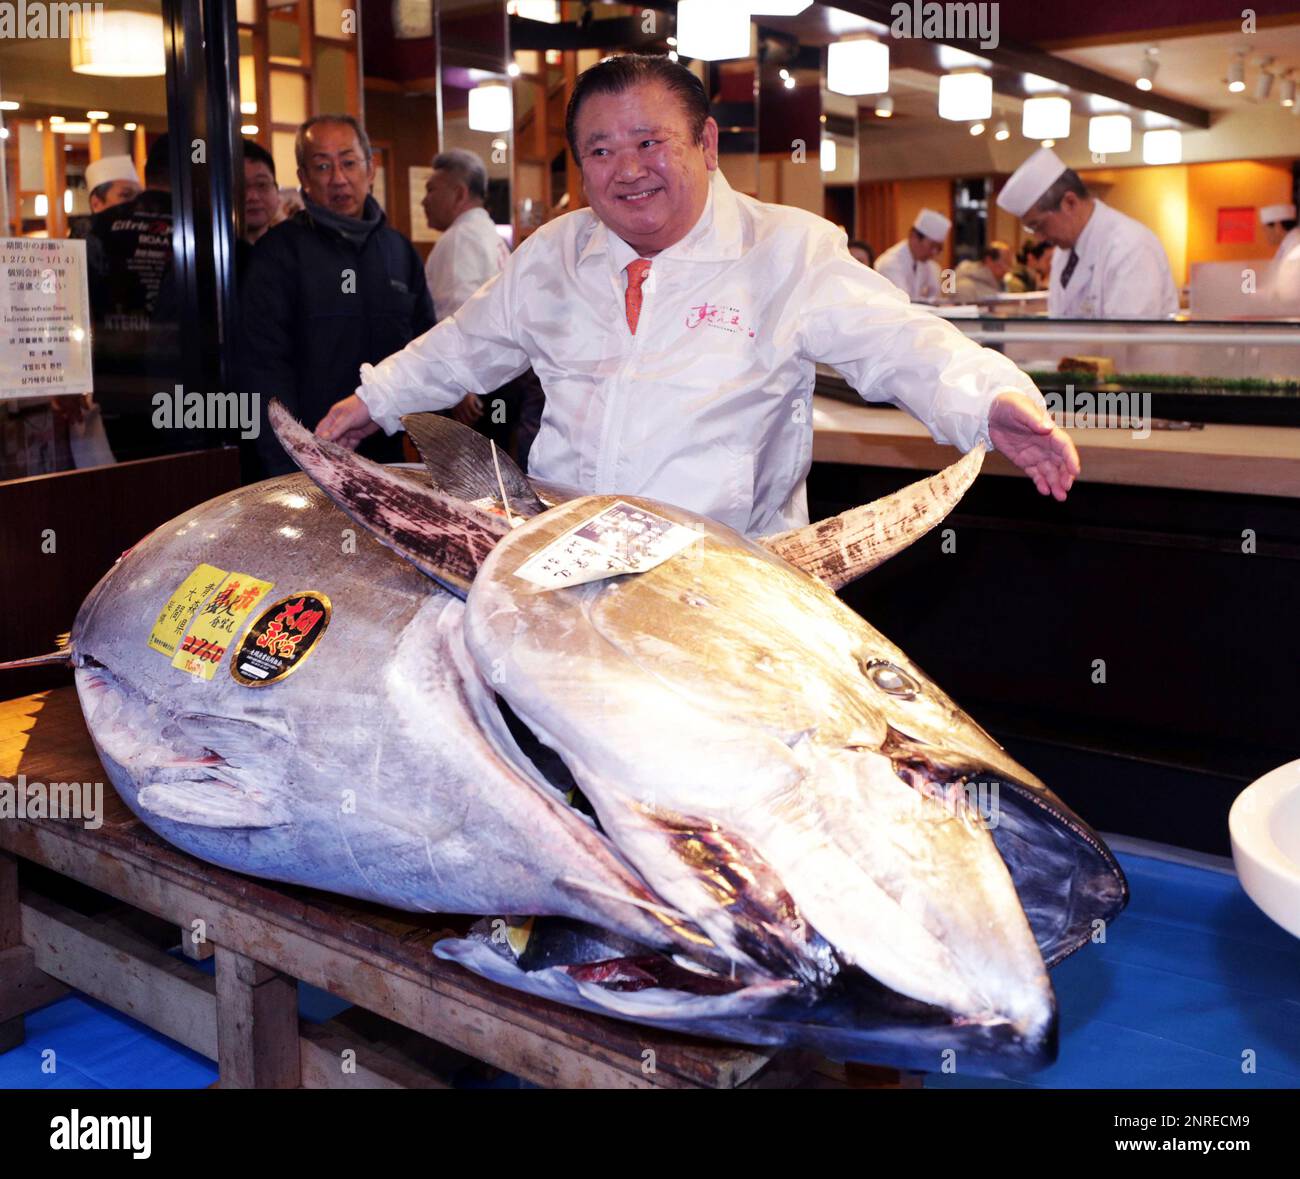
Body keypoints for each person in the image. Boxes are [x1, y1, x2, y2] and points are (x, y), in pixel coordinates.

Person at [317, 54, 1077, 535]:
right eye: (602, 151)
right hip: (565, 569)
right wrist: (371, 403)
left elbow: (903, 342)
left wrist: (990, 400)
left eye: (652, 142)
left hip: (729, 585)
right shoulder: (555, 254)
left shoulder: (786, 249)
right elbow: (461, 348)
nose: (628, 169)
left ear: (707, 145)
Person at [236, 113, 435, 476]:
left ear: (370, 169)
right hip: (307, 464)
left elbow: (425, 348)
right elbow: (262, 369)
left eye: (348, 162)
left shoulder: (399, 252)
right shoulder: (277, 254)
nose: (338, 179)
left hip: (389, 461)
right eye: (323, 166)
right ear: (303, 180)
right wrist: (289, 465)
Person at [997, 147, 1178, 319]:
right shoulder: (1064, 252)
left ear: (1070, 202)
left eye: (1039, 226)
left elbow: (1128, 339)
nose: (1039, 237)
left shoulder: (1130, 247)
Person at [420, 148, 512, 430]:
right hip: (500, 378)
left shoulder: (460, 238)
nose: (424, 200)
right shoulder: (490, 234)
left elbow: (458, 316)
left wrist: (460, 385)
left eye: (431, 190)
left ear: (459, 194)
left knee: (465, 472)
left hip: (473, 390)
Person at [874, 209, 950, 303]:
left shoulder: (928, 264)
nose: (934, 252)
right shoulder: (890, 264)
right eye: (932, 246)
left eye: (938, 248)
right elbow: (903, 302)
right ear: (914, 237)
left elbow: (936, 295)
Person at [243, 139, 282, 245]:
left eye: (262, 184)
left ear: (277, 190)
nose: (252, 197)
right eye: (241, 187)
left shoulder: (291, 249)